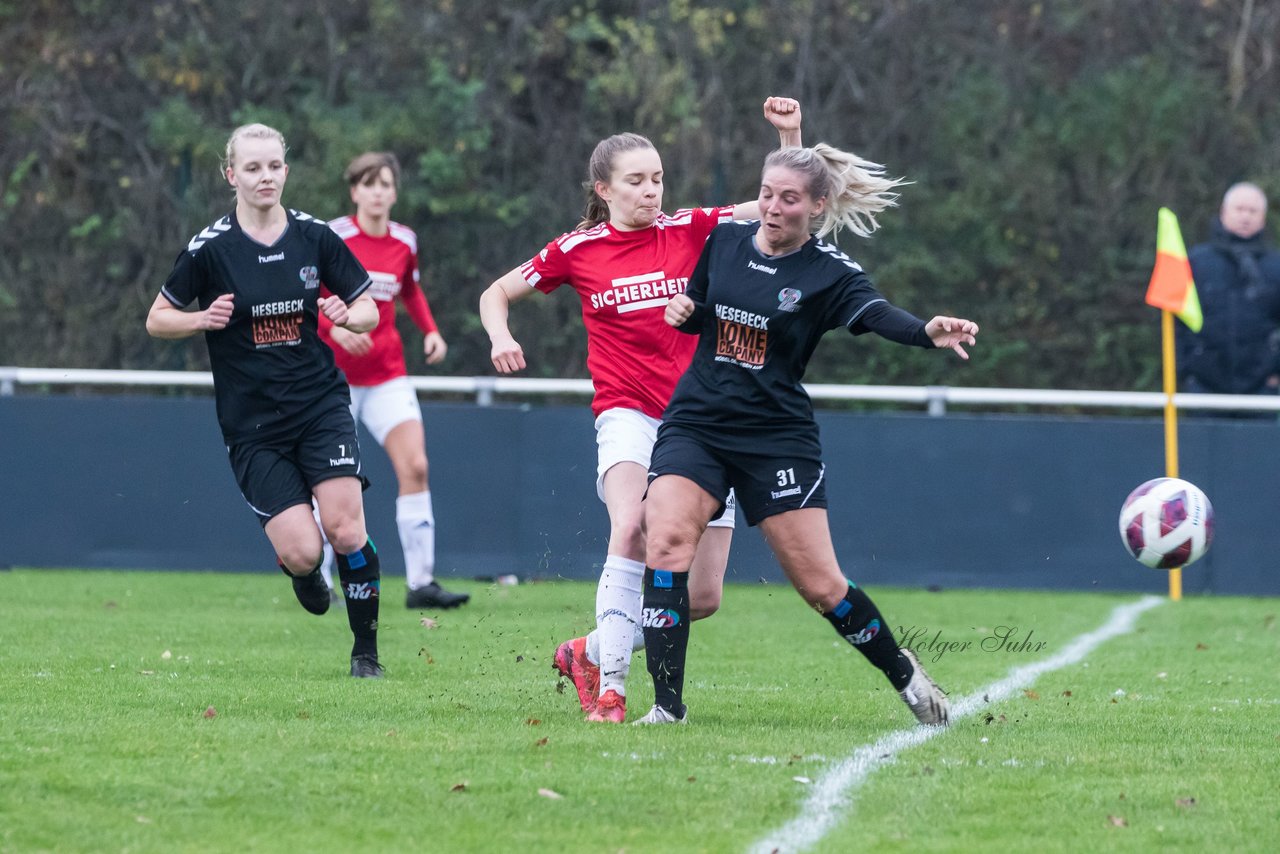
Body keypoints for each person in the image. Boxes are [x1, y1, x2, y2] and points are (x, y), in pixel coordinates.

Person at [479, 98, 803, 722]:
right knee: (631, 526)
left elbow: (774, 207)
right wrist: (501, 335)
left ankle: (589, 650)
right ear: (603, 189)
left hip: (704, 422)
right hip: (626, 412)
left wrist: (789, 134)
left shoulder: (688, 229)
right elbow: (496, 292)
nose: (651, 190)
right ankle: (614, 690)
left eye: (657, 178)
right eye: (636, 180)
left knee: (700, 596)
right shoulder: (578, 248)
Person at [634, 143, 979, 726]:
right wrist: (683, 310)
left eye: (788, 198)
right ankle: (667, 709)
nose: (771, 207)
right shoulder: (725, 240)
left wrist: (924, 332)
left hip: (775, 439)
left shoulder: (830, 273)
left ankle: (904, 674)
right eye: (766, 193)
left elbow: (876, 313)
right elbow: (701, 307)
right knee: (665, 539)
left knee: (823, 589)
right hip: (699, 422)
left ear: (817, 205)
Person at [146, 123, 386, 678]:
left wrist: (350, 314)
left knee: (347, 530)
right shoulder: (209, 250)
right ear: (231, 175)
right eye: (252, 168)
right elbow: (157, 319)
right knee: (305, 551)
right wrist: (200, 319)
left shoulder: (314, 236)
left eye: (274, 166)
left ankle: (366, 654)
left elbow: (368, 306)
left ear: (286, 170)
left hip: (319, 406)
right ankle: (303, 571)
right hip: (252, 426)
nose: (265, 177)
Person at [315, 151, 469, 610]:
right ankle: (321, 579)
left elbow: (410, 290)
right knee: (328, 479)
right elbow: (305, 299)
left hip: (387, 376)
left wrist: (432, 331)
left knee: (416, 467)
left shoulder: (404, 240)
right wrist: (336, 329)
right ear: (355, 191)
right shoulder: (332, 237)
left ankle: (421, 583)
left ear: (395, 193)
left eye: (386, 184)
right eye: (370, 183)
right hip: (333, 378)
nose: (379, 191)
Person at [1177, 182, 1280, 407]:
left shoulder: (1276, 267)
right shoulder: (1195, 262)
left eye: (1253, 211)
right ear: (1224, 212)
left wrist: (1275, 375)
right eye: (1240, 209)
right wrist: (1185, 370)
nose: (1246, 217)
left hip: (1263, 388)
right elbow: (1174, 320)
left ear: (1263, 218)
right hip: (1203, 386)